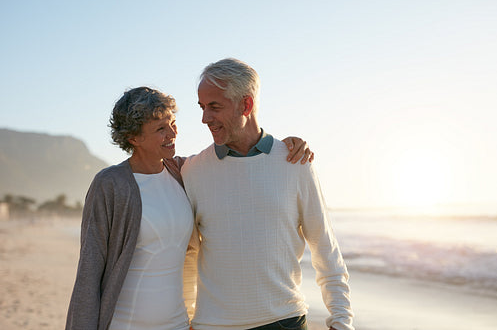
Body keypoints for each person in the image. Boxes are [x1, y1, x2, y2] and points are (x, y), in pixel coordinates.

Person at [65, 87, 313, 330]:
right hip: (125, 323)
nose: (171, 133)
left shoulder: (182, 172)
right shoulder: (110, 184)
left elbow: (235, 161)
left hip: (179, 324)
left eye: (172, 123)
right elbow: (90, 268)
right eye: (160, 129)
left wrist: (283, 147)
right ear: (133, 138)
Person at [181, 58, 354, 330]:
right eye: (202, 107)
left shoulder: (294, 162)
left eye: (214, 107)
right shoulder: (191, 171)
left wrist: (342, 320)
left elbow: (324, 247)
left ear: (246, 105)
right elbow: (188, 255)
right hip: (212, 326)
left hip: (284, 322)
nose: (205, 118)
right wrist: (186, 318)